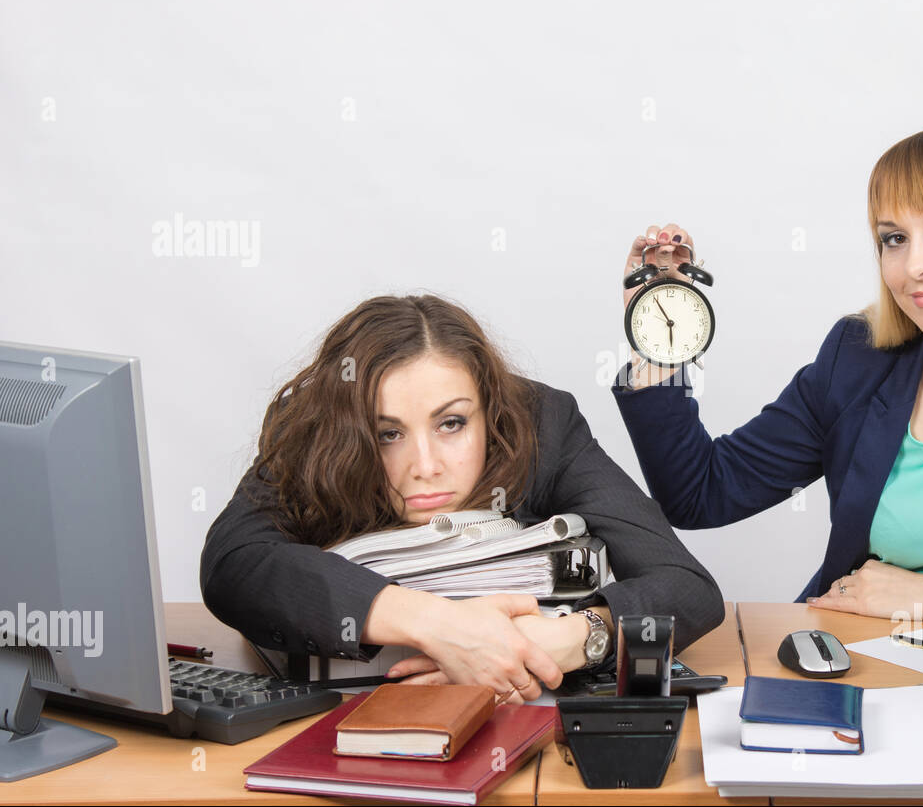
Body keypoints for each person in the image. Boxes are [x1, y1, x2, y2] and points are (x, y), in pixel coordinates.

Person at [611, 124, 923, 637]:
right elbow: (702, 494)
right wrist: (662, 338)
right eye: (894, 239)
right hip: (855, 656)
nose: (915, 265)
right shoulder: (860, 356)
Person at [200, 294, 724, 702]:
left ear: (490, 412)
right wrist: (441, 626)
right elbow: (233, 563)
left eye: (452, 424)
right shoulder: (316, 426)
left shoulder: (541, 422)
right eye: (388, 434)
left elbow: (687, 588)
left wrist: (565, 639)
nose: (424, 466)